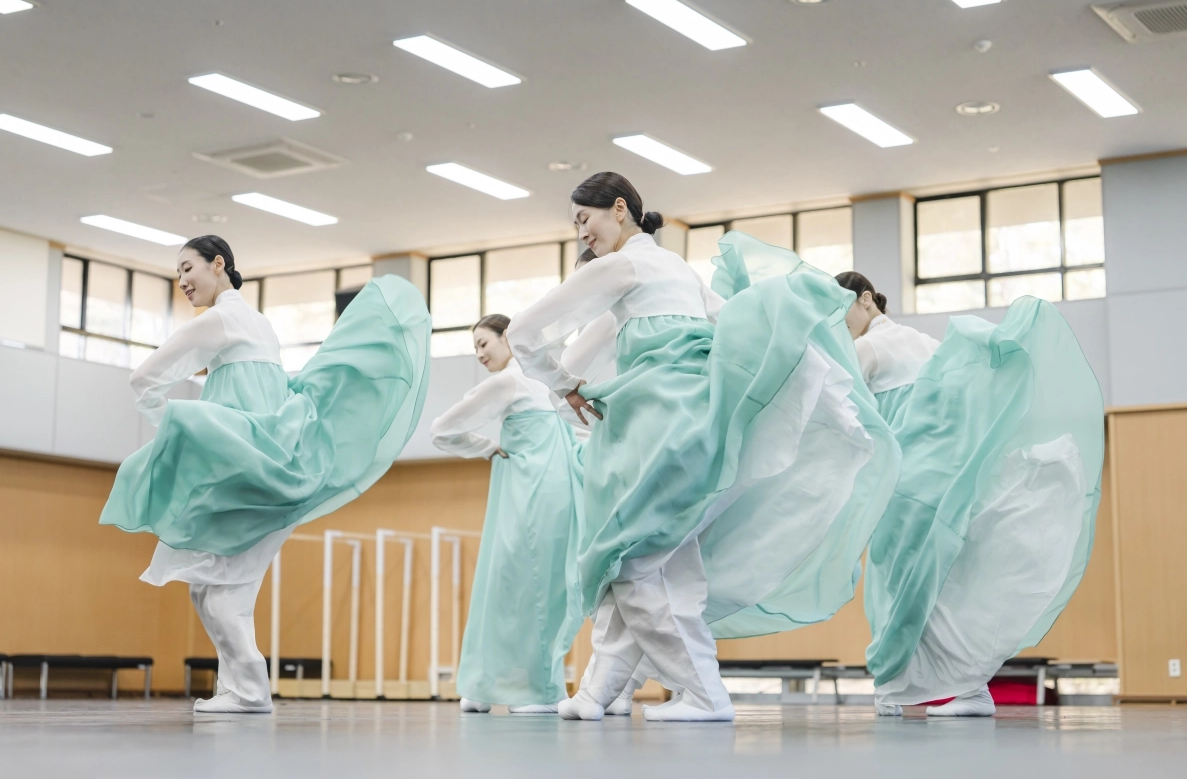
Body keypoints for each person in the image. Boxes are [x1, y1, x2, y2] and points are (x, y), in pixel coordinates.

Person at [507, 173, 900, 722]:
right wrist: (824, 389)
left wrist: (564, 384)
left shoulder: (619, 266)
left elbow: (523, 331)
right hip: (697, 427)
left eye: (584, 219)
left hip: (655, 432)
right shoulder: (678, 269)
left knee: (634, 563)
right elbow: (740, 324)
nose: (581, 233)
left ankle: (705, 694)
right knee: (661, 563)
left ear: (618, 209)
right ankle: (597, 693)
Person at [100, 235, 431, 713]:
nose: (182, 281)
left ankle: (250, 691)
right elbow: (265, 393)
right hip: (279, 462)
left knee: (217, 597)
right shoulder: (261, 323)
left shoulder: (218, 320)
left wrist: (170, 421)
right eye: (177, 274)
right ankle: (236, 688)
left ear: (218, 264)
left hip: (248, 471)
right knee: (212, 590)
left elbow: (143, 378)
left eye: (187, 268)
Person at [835, 271, 1105, 717]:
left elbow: (843, 414)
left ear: (866, 299)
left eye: (839, 307)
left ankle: (891, 683)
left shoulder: (864, 349)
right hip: (947, 477)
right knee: (946, 583)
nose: (836, 320)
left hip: (904, 480)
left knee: (892, 578)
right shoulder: (929, 344)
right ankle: (970, 689)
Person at [430, 314, 585, 715]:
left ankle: (505, 685)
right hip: (537, 492)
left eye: (484, 343)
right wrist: (484, 447)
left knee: (524, 585)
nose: (479, 354)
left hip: (541, 493)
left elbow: (443, 429)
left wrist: (484, 447)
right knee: (527, 585)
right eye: (475, 347)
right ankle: (517, 687)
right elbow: (443, 430)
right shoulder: (520, 383)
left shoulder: (523, 382)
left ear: (508, 338)